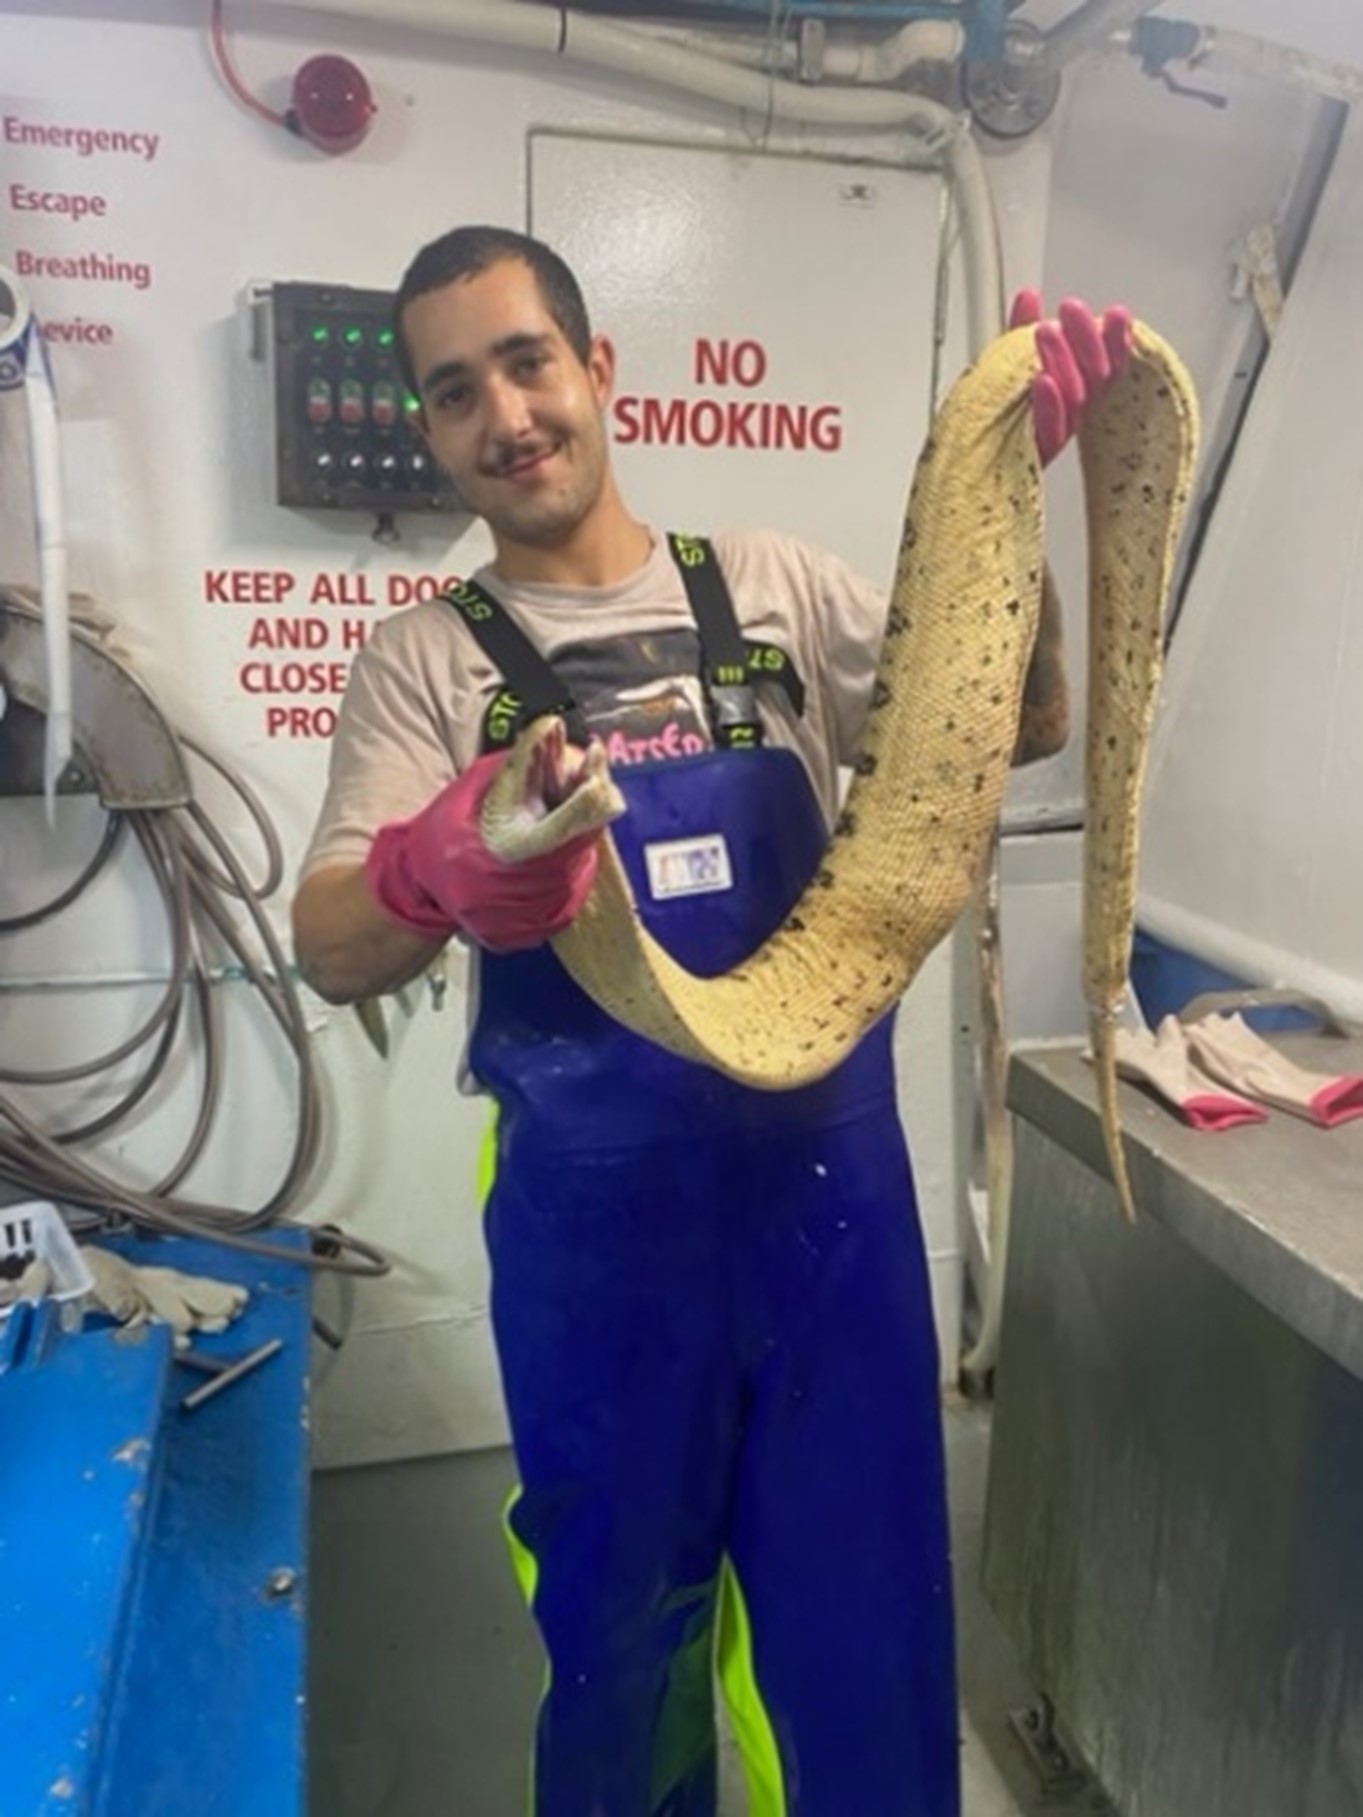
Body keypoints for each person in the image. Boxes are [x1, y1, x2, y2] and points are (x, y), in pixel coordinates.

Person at [292, 225, 1130, 1817]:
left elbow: (1012, 721)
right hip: (596, 1246)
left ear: (598, 370)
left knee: (867, 1620)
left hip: (833, 1218)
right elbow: (329, 942)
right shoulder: (419, 666)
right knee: (618, 1639)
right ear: (429, 428)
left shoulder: (776, 590)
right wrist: (436, 860)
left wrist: (1011, 520)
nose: (505, 416)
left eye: (528, 362)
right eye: (454, 392)